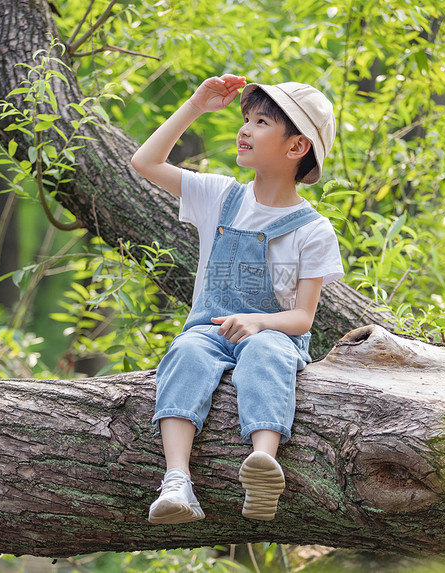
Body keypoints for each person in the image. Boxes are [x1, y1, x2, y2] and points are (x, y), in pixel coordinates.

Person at [130, 74, 343, 524]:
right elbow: (144, 162)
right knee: (184, 351)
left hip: (273, 337)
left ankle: (263, 463)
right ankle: (176, 481)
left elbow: (303, 318)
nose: (244, 128)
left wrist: (260, 323)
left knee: (266, 352)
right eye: (246, 118)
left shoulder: (313, 230)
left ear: (296, 147)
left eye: (261, 121)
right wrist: (194, 105)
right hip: (209, 332)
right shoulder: (219, 196)